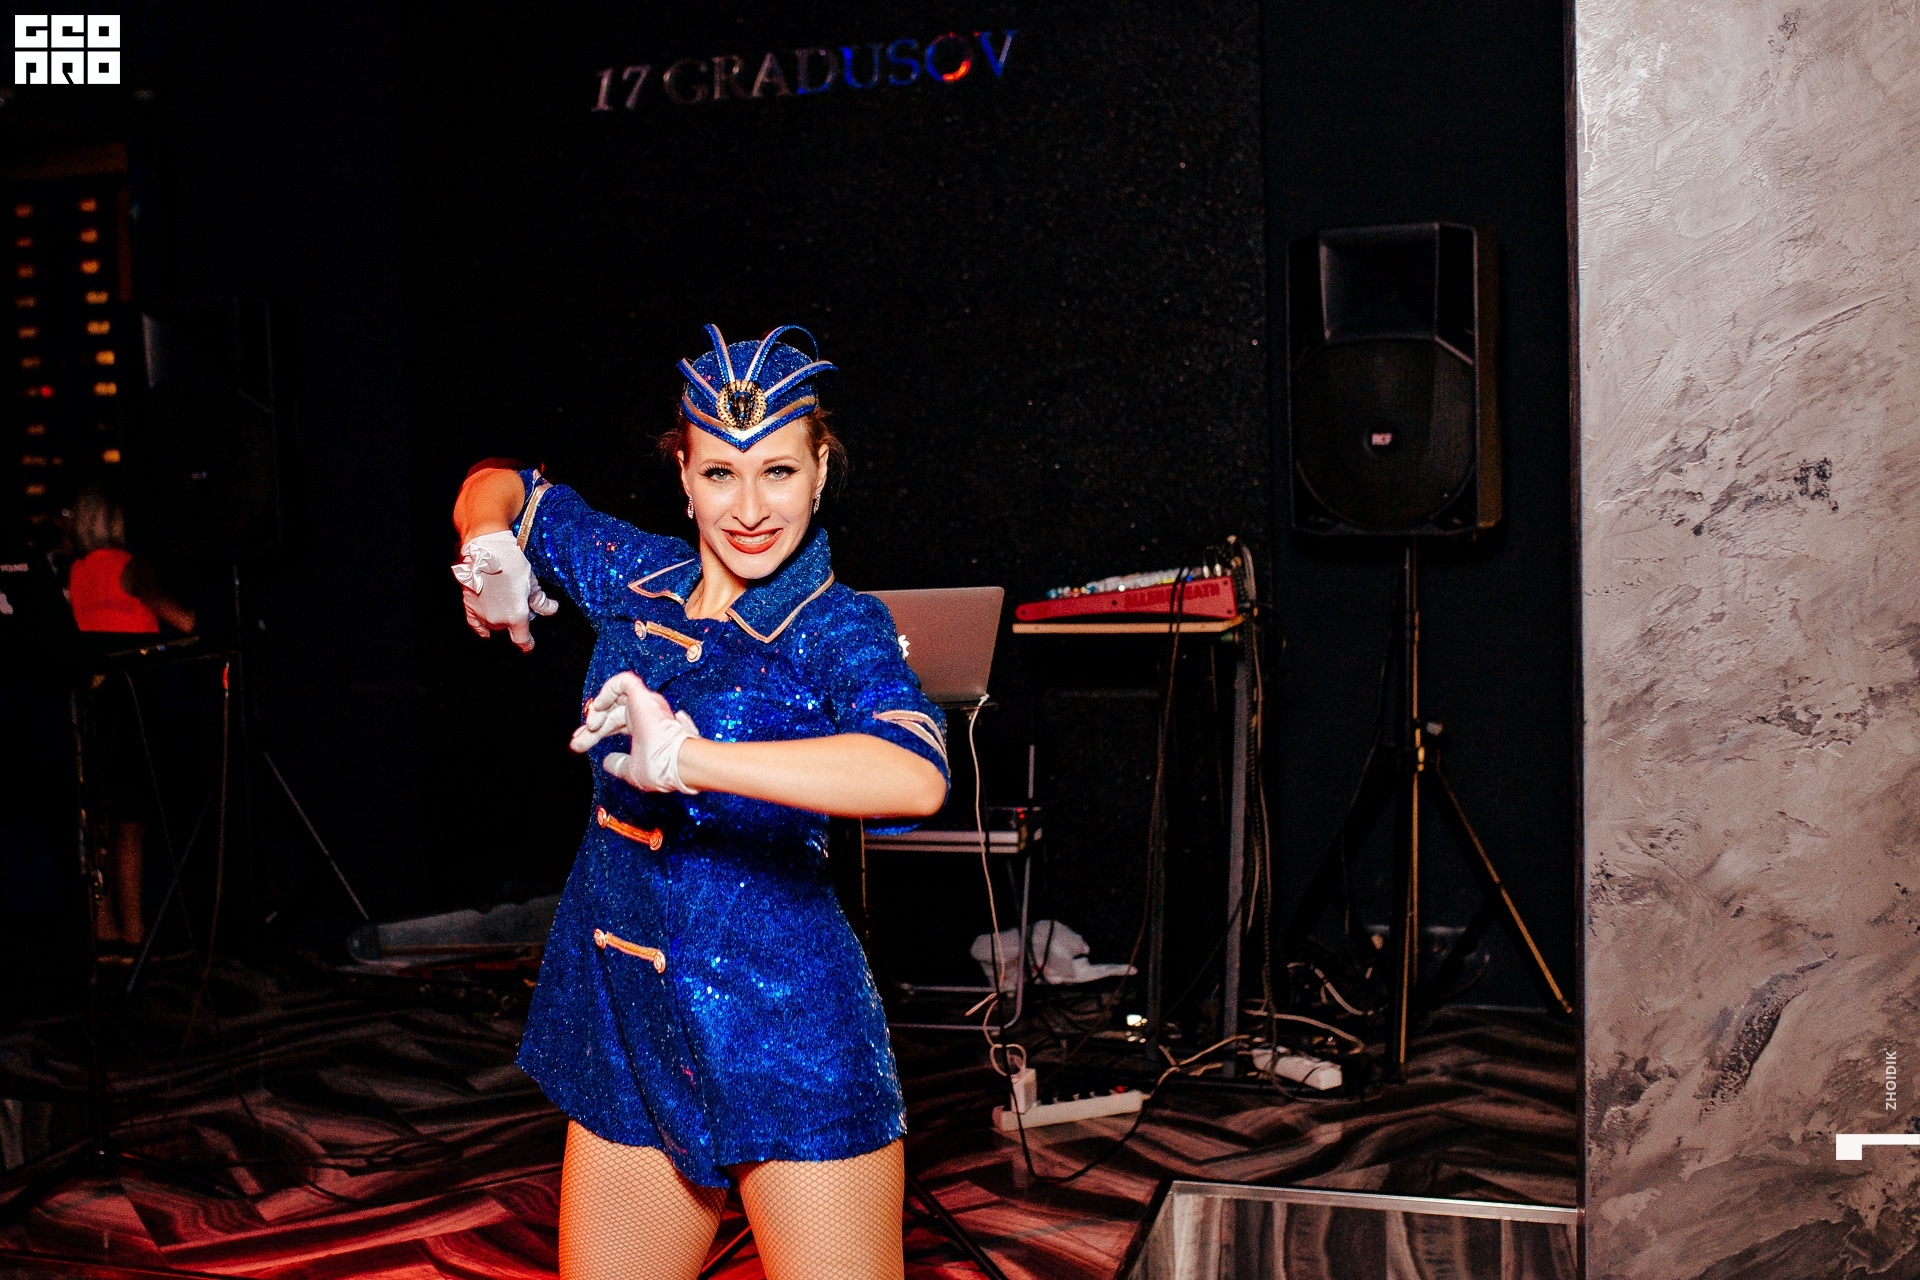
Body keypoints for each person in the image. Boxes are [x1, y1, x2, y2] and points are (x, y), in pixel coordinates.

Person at [451, 325, 948, 1280]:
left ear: (820, 472)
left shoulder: (836, 627)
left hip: (787, 1030)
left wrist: (691, 759)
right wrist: (487, 541)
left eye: (778, 473)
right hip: (630, 1021)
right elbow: (500, 481)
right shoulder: (635, 578)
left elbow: (913, 773)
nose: (750, 509)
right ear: (684, 477)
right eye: (721, 474)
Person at [65, 487, 196, 950]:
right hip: (135, 702)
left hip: (90, 701)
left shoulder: (77, 571)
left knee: (98, 822)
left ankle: (104, 928)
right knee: (132, 825)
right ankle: (137, 932)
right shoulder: (133, 566)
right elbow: (184, 621)